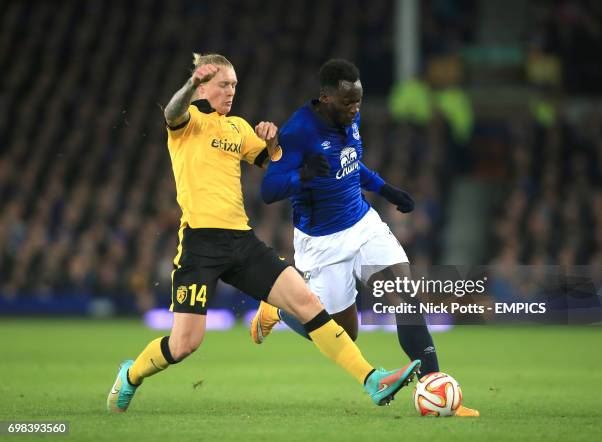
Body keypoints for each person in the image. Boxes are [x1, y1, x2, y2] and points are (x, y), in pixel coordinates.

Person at [106, 53, 420, 413]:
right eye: (224, 84)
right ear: (202, 84)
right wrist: (189, 87)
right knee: (184, 344)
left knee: (308, 303)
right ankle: (131, 375)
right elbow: (170, 113)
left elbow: (276, 166)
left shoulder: (238, 127)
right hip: (200, 245)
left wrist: (273, 140)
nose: (231, 92)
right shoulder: (188, 122)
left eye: (235, 85)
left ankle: (372, 380)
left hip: (241, 241)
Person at [253, 58, 478, 417]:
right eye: (348, 102)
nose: (355, 109)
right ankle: (280, 310)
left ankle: (434, 385)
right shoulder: (299, 131)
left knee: (404, 295)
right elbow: (268, 189)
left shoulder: (348, 117)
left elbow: (351, 163)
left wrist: (386, 189)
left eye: (358, 101)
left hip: (362, 224)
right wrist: (303, 176)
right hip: (321, 243)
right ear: (325, 98)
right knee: (343, 333)